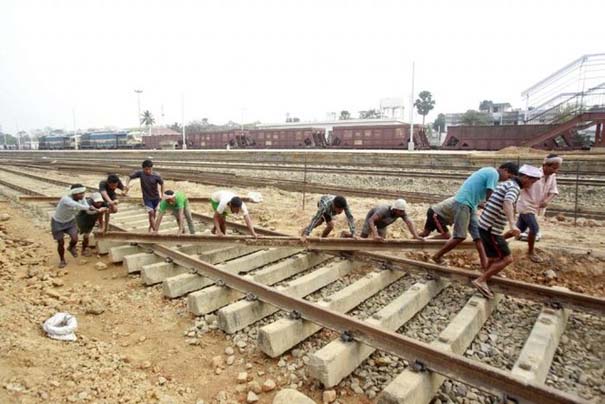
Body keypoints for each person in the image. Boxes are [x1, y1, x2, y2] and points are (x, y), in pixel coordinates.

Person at [472, 165, 542, 298]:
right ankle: (481, 281)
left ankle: (488, 274)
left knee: (493, 256)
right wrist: (512, 224)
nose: (532, 185)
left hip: (485, 225)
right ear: (526, 178)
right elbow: (508, 202)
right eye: (532, 181)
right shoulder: (514, 188)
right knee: (507, 258)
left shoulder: (507, 183)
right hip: (491, 229)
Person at [431, 162, 519, 268]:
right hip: (463, 203)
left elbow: (482, 196)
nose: (506, 179)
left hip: (471, 204)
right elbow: (489, 195)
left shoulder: (490, 173)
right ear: (504, 170)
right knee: (460, 236)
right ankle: (437, 256)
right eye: (508, 176)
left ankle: (485, 265)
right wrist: (497, 209)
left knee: (478, 237)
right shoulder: (493, 173)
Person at [515, 154, 562, 263]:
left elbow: (553, 191)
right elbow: (522, 184)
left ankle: (498, 241)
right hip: (526, 205)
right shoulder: (534, 174)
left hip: (536, 207)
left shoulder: (552, 177)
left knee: (519, 229)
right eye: (553, 168)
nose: (555, 171)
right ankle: (531, 251)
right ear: (545, 165)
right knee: (534, 229)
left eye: (557, 168)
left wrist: (547, 201)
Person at [51, 184, 107, 267]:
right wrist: (95, 209)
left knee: (75, 238)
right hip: (58, 222)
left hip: (70, 221)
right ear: (74, 193)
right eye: (80, 194)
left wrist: (97, 210)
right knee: (60, 242)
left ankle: (71, 247)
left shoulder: (82, 199)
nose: (82, 195)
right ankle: (62, 260)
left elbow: (88, 210)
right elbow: (78, 206)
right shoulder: (66, 199)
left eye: (83, 193)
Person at [125, 159, 164, 232]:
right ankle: (155, 230)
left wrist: (162, 194)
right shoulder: (141, 173)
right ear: (143, 169)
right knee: (151, 212)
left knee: (153, 213)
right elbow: (129, 177)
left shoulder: (156, 175)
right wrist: (126, 185)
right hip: (147, 198)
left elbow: (162, 183)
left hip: (156, 197)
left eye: (149, 169)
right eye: (146, 169)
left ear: (152, 168)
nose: (148, 171)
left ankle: (150, 226)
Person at [76, 192, 106, 256]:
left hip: (91, 221)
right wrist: (98, 210)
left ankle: (83, 249)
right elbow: (89, 212)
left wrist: (102, 227)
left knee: (86, 236)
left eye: (100, 202)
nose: (99, 204)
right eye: (97, 202)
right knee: (75, 234)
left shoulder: (103, 204)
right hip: (81, 220)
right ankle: (72, 246)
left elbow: (101, 215)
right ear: (92, 200)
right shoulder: (87, 202)